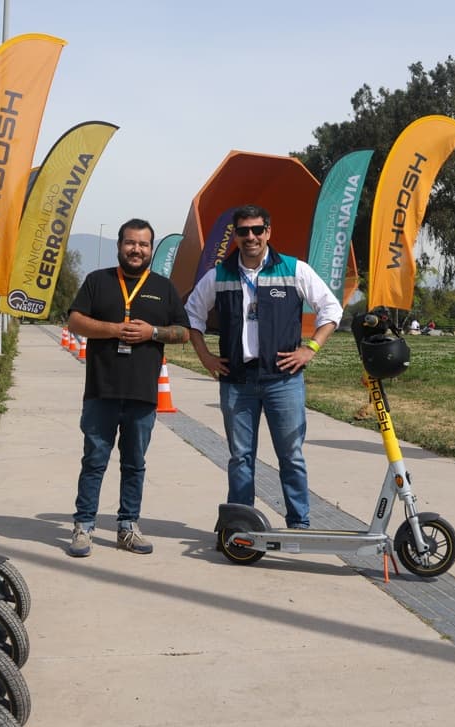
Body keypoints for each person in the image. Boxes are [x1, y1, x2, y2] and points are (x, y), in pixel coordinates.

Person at [185, 204, 342, 529]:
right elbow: (191, 317)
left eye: (258, 230)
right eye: (243, 231)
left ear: (269, 232)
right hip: (237, 381)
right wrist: (206, 358)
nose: (251, 237)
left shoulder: (293, 269)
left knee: (291, 457)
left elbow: (331, 310)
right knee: (240, 459)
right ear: (236, 236)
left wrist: (310, 348)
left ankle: (299, 524)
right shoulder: (219, 275)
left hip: (283, 381)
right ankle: (240, 526)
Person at [65, 218, 190, 557]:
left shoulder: (164, 288)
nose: (136, 250)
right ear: (119, 245)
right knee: (94, 461)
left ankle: (127, 527)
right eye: (130, 243)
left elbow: (184, 332)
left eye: (143, 244)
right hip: (101, 391)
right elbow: (75, 320)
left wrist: (152, 333)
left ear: (151, 249)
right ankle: (84, 527)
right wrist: (113, 329)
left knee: (134, 463)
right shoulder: (97, 281)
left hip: (142, 394)